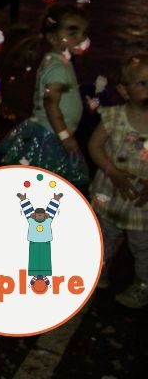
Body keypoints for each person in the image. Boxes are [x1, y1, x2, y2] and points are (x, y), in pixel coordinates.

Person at [0, 4, 91, 187]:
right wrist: (65, 136)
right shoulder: (57, 68)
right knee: (48, 182)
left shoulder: (58, 60)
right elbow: (51, 103)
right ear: (52, 37)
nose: (81, 38)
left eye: (84, 33)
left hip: (48, 131)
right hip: (51, 137)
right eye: (73, 33)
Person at [89, 54, 148, 308]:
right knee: (104, 236)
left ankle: (142, 285)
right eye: (142, 84)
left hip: (142, 201)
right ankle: (98, 272)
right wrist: (112, 171)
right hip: (110, 192)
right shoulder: (114, 117)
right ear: (124, 90)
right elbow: (95, 146)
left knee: (143, 246)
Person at [17, 192, 63, 286]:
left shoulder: (48, 220)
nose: (39, 216)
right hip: (34, 242)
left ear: (44, 215)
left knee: (45, 259)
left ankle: (44, 274)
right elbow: (27, 210)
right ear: (34, 215)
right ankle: (35, 274)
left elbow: (51, 210)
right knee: (34, 259)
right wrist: (24, 200)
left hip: (45, 243)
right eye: (38, 215)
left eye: (41, 215)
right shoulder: (31, 220)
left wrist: (55, 200)